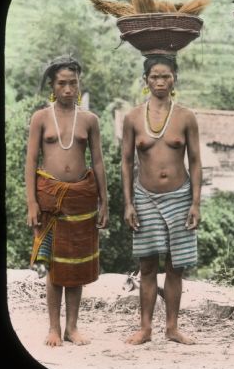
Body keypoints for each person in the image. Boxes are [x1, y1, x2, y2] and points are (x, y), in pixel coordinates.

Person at [25, 55, 109, 347]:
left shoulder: (89, 120)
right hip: (50, 201)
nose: (68, 89)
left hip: (81, 201)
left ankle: (72, 328)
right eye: (62, 83)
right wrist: (32, 203)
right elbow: (31, 161)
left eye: (73, 83)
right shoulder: (40, 118)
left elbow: (97, 162)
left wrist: (104, 202)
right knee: (55, 267)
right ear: (53, 85)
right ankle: (53, 328)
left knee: (77, 265)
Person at [121, 54, 202, 345]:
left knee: (176, 265)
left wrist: (195, 202)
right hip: (145, 197)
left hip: (180, 196)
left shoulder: (186, 116)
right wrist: (129, 203)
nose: (160, 81)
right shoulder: (132, 118)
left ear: (174, 79)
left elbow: (195, 161)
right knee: (147, 266)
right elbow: (126, 162)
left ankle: (172, 327)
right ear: (146, 81)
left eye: (165, 76)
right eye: (154, 76)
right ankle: (145, 328)